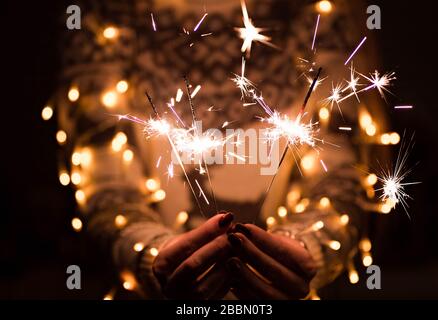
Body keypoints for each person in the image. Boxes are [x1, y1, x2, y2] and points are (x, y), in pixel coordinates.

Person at [56, 0, 387, 299]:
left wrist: (305, 249)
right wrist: (151, 255)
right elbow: (104, 183)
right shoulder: (103, 14)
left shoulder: (319, 12)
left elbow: (342, 172)